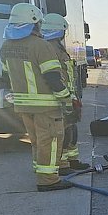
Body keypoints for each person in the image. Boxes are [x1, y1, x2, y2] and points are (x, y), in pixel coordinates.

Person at [0, 3, 73, 191]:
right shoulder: (41, 45)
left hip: (23, 105)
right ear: (34, 22)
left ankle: (40, 171)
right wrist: (66, 97)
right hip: (46, 106)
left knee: (36, 141)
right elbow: (52, 77)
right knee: (50, 141)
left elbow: (6, 76)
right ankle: (48, 180)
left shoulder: (6, 46)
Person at [41, 13, 90, 174]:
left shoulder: (56, 47)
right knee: (62, 134)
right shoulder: (49, 48)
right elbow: (54, 76)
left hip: (68, 95)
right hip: (59, 98)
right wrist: (66, 96)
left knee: (71, 129)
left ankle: (72, 160)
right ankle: (62, 165)